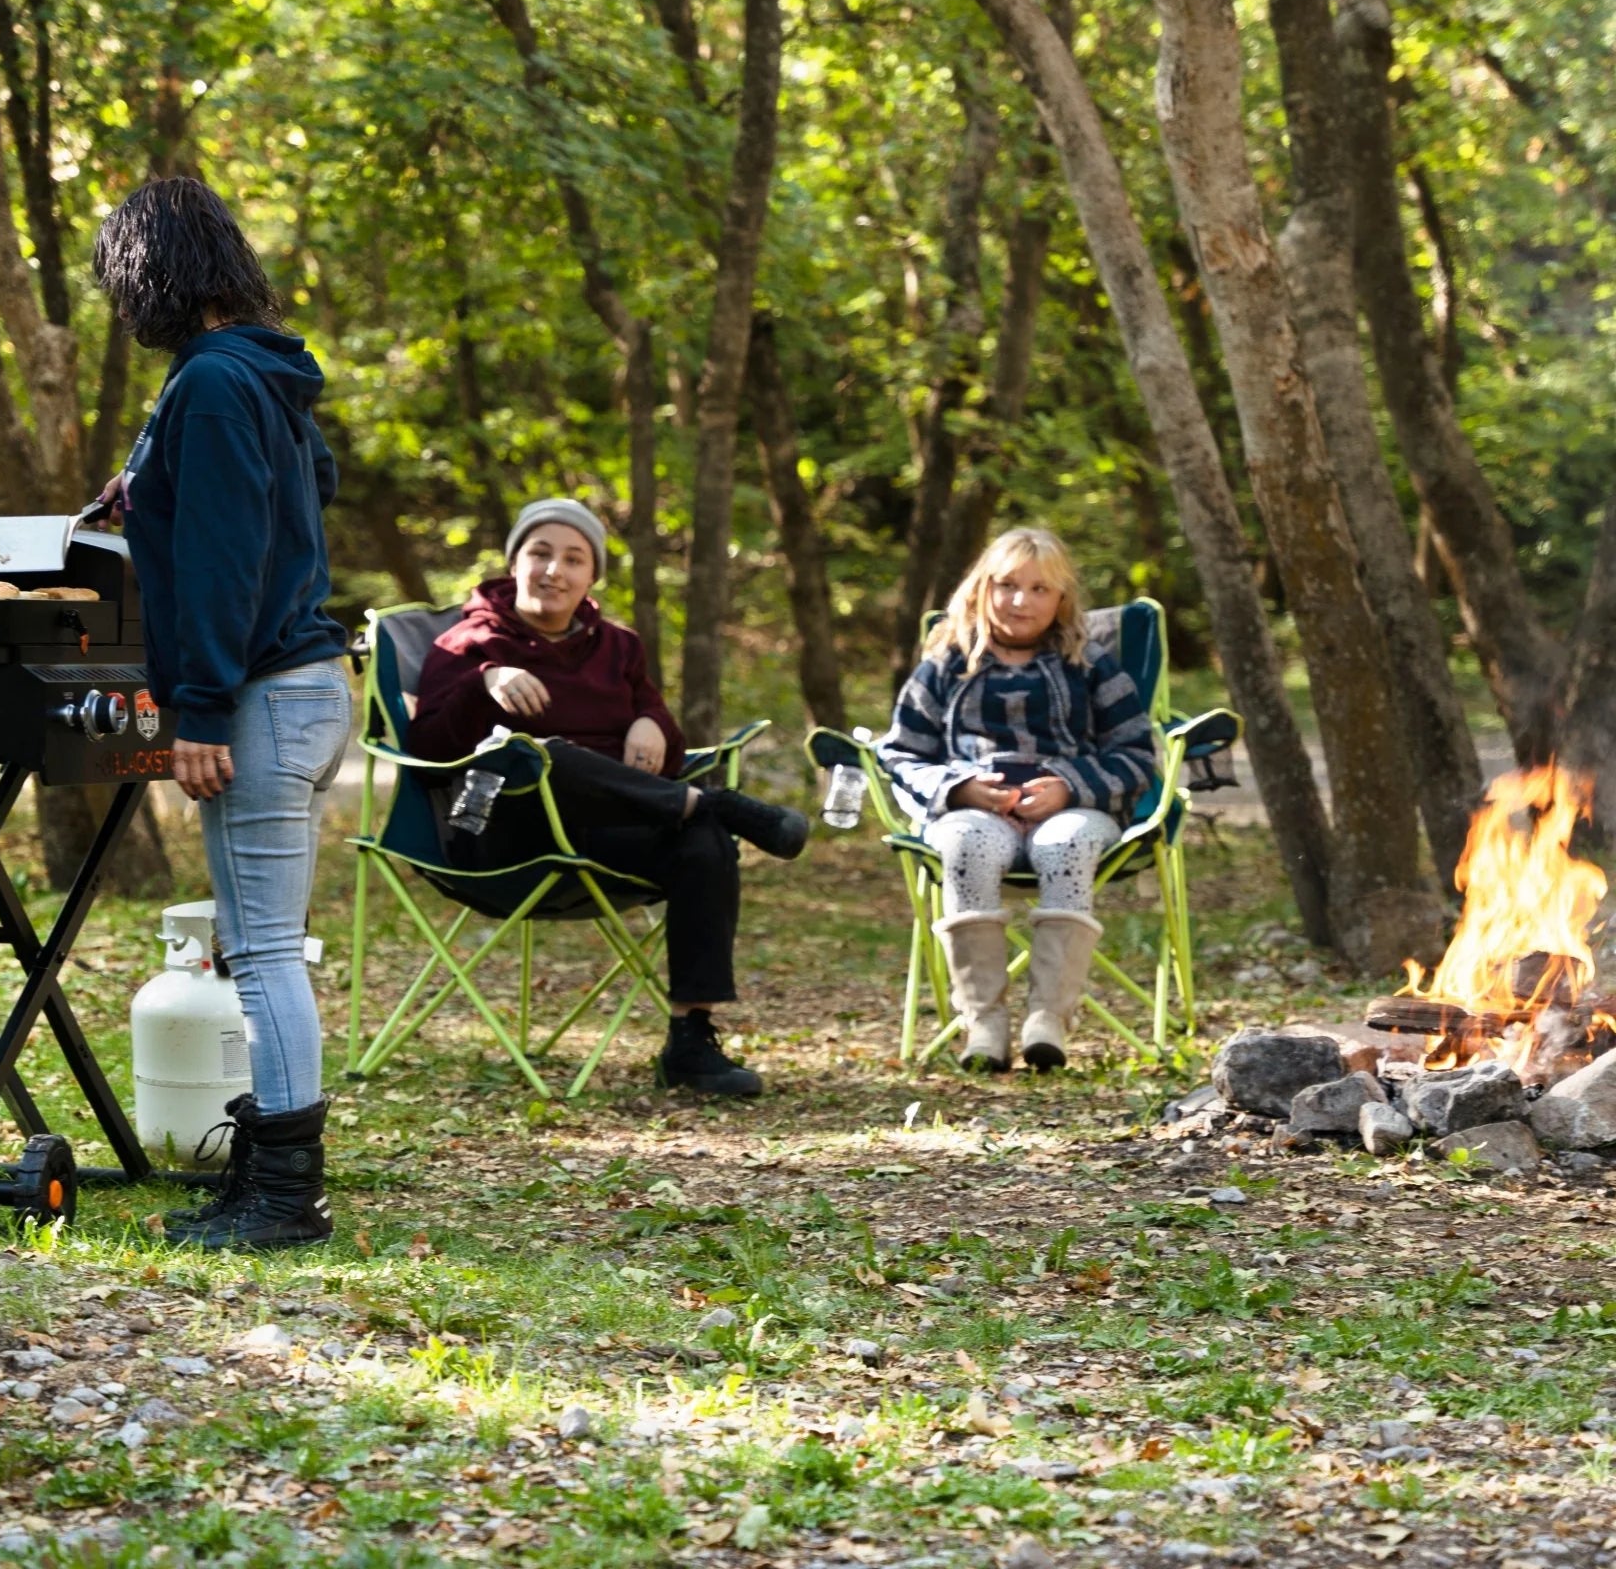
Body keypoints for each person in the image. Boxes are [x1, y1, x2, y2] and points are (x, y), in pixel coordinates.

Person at [92, 175, 352, 1250]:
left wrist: (192, 706)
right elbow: (307, 489)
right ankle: (268, 1166)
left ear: (152, 276)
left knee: (261, 952)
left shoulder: (207, 381)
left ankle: (284, 1197)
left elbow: (220, 558)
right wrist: (147, 485)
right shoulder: (266, 374)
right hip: (308, 685)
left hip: (257, 693)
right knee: (262, 944)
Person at [409, 498, 808, 1097]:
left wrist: (651, 720)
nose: (554, 571)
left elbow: (663, 751)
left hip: (605, 833)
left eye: (573, 559)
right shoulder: (469, 641)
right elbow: (429, 750)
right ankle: (714, 801)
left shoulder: (618, 647)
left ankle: (691, 1042)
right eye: (540, 553)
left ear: (590, 577)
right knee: (549, 753)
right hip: (504, 836)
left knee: (701, 842)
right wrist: (483, 682)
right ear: (514, 563)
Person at [876, 526, 1157, 1073]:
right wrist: (958, 789)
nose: (1020, 600)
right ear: (982, 588)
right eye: (1007, 585)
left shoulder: (1092, 664)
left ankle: (1047, 1020)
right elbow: (899, 753)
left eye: (1038, 589)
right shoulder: (946, 664)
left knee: (1066, 844)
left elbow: (1138, 756)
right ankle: (984, 1022)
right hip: (975, 809)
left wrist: (1071, 787)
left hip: (1073, 808)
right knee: (966, 841)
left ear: (1061, 599)